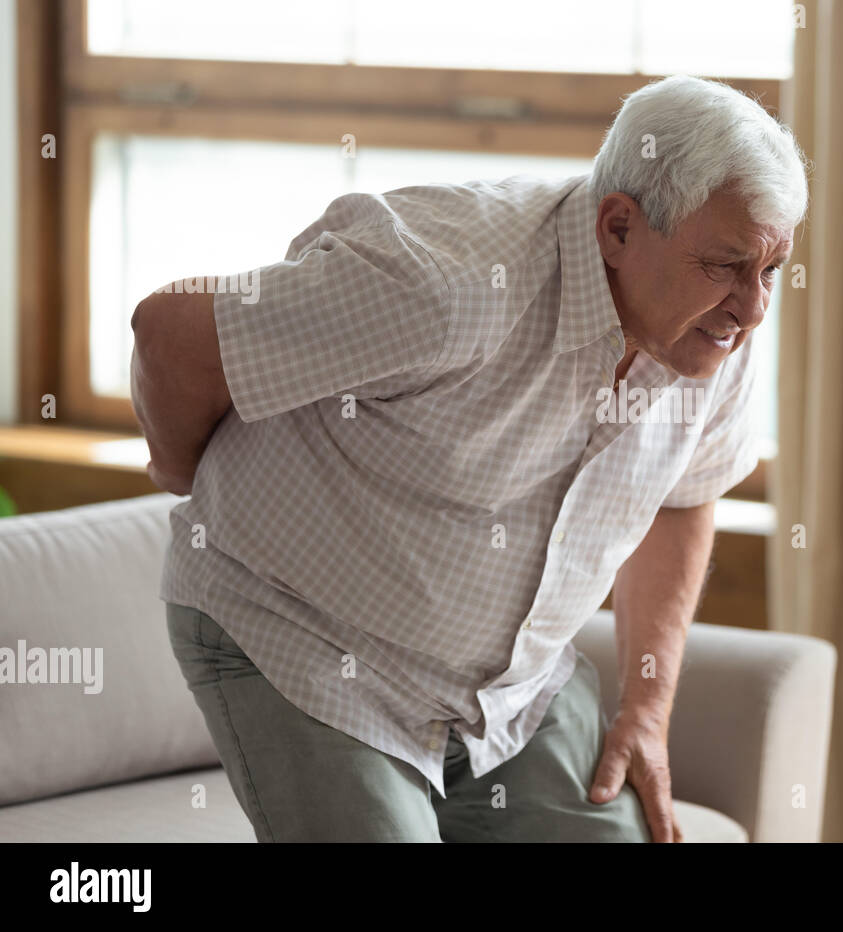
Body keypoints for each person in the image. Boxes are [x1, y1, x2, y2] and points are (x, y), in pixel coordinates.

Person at [130, 74, 808, 842]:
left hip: (512, 695)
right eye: (724, 266)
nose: (753, 309)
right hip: (303, 644)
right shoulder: (446, 282)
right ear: (617, 229)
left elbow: (683, 495)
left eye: (770, 270)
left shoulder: (713, 339)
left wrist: (646, 713)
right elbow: (169, 334)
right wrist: (191, 479)